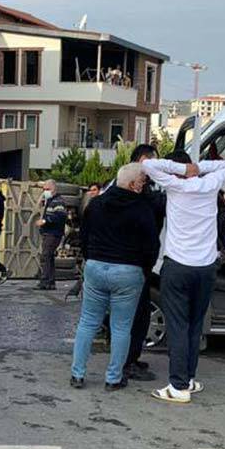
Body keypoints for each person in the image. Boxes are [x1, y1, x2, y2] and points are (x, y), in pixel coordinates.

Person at [142, 151, 225, 404]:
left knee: (178, 327)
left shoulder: (174, 186)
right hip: (206, 268)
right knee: (195, 325)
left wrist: (183, 170)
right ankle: (189, 378)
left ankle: (178, 386)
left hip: (178, 266)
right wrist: (199, 168)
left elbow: (148, 164)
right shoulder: (210, 184)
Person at [69, 163, 159, 391]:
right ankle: (113, 378)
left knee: (88, 322)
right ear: (132, 184)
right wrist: (144, 270)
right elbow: (151, 245)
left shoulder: (96, 204)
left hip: (96, 267)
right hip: (128, 271)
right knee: (121, 327)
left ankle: (77, 374)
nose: (144, 185)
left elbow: (84, 236)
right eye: (142, 181)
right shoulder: (142, 208)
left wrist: (91, 259)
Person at [123, 143, 167, 382]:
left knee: (140, 313)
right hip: (134, 260)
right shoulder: (131, 189)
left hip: (141, 260)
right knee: (135, 314)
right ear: (142, 160)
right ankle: (127, 362)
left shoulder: (143, 187)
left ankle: (132, 357)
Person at [35, 180, 67, 290]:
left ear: (54, 189)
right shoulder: (49, 200)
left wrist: (45, 221)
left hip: (53, 233)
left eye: (47, 189)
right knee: (49, 257)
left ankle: (45, 281)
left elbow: (60, 216)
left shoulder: (58, 201)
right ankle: (50, 282)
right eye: (44, 189)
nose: (45, 191)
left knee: (45, 256)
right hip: (48, 232)